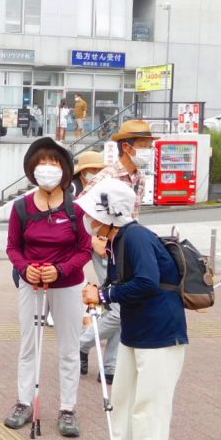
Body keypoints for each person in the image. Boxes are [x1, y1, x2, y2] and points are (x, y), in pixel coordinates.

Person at [79, 178, 188, 440]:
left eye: (93, 213)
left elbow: (147, 283)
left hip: (161, 333)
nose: (88, 219)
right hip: (136, 331)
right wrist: (102, 294)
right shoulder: (118, 240)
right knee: (125, 396)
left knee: (150, 406)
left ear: (109, 214)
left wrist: (103, 294)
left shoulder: (136, 237)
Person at [4, 137, 92, 437]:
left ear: (65, 170)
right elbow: (13, 248)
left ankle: (68, 409)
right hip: (31, 285)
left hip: (67, 286)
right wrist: (24, 268)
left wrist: (61, 270)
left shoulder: (75, 210)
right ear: (32, 169)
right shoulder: (21, 208)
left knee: (69, 347)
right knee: (29, 345)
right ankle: (24, 402)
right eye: (42, 162)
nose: (47, 168)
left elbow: (84, 250)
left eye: (54, 163)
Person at [77, 120, 158, 383]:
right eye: (145, 146)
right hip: (104, 247)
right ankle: (82, 343)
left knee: (121, 304)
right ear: (127, 147)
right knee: (119, 308)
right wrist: (93, 240)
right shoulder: (108, 176)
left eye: (150, 145)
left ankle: (109, 366)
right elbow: (82, 209)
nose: (150, 150)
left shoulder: (140, 177)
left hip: (126, 246)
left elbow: (133, 216)